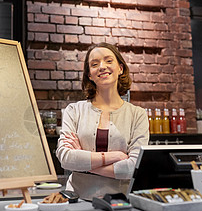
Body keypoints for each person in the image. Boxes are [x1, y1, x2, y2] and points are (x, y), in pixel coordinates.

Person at [56, 42, 149, 200]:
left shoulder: (137, 115)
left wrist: (83, 164)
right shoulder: (74, 110)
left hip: (121, 201)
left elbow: (133, 167)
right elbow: (65, 158)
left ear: (120, 68)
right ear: (90, 75)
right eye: (94, 64)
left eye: (108, 60)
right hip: (76, 199)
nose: (102, 66)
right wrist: (114, 156)